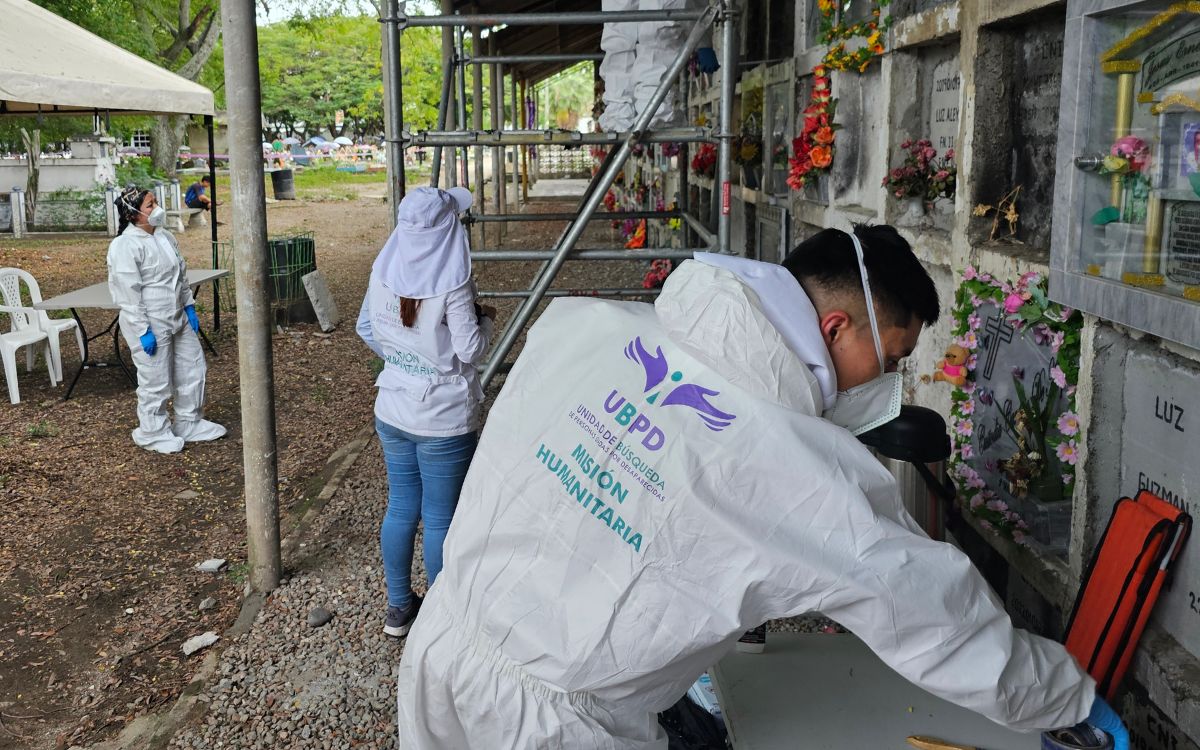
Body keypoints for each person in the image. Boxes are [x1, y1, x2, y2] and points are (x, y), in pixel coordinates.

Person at [395, 225, 1130, 749]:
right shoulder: (801, 470)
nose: (887, 384)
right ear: (837, 326)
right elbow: (935, 613)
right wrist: (1065, 696)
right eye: (892, 357)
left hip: (440, 651)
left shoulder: (585, 326)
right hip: (558, 729)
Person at [356, 186, 496, 638]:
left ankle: (398, 607)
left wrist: (402, 357)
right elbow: (470, 350)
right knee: (440, 518)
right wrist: (487, 320)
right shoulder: (452, 281)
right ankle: (439, 619)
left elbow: (365, 327)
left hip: (393, 406)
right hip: (442, 417)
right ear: (448, 230)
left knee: (400, 507)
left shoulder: (384, 268)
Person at [107, 186, 226, 454]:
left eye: (155, 202)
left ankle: (188, 422)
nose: (156, 208)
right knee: (156, 379)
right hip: (150, 320)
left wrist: (189, 306)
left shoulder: (164, 236)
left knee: (193, 367)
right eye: (150, 205)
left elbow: (180, 276)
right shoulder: (125, 245)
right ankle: (152, 431)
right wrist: (142, 330)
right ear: (133, 213)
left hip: (177, 314)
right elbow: (127, 293)